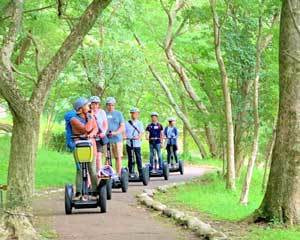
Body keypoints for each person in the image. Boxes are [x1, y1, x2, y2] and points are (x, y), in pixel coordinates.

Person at [70, 97, 98, 200]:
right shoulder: (74, 120)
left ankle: (95, 191)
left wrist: (91, 135)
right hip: (79, 147)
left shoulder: (89, 116)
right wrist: (91, 118)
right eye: (86, 105)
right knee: (80, 170)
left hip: (91, 146)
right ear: (81, 108)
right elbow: (86, 128)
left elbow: (95, 128)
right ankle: (78, 192)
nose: (89, 107)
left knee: (92, 170)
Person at [105, 97, 125, 175]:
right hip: (106, 140)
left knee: (118, 157)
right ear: (106, 105)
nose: (111, 107)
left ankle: (119, 174)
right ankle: (107, 174)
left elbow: (122, 126)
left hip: (117, 139)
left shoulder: (118, 114)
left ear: (114, 105)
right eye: (109, 105)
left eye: (112, 105)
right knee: (107, 158)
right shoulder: (104, 113)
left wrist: (115, 133)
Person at [90, 96, 108, 175]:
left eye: (96, 104)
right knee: (91, 158)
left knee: (98, 157)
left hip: (99, 138)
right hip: (91, 138)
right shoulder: (88, 113)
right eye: (93, 104)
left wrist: (103, 132)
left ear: (98, 105)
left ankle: (99, 173)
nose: (94, 106)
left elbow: (105, 124)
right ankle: (91, 175)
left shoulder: (102, 112)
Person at [125, 107, 144, 178]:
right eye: (133, 113)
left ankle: (141, 173)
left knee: (138, 158)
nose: (134, 115)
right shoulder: (127, 123)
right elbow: (124, 131)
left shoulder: (140, 123)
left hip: (137, 144)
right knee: (130, 158)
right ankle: (130, 172)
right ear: (131, 114)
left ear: (138, 114)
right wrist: (124, 136)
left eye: (135, 113)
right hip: (129, 143)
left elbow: (142, 132)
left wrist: (138, 137)